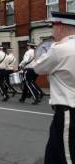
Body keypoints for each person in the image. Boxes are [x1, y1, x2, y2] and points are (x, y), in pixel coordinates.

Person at [34, 35, 75, 164]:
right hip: (66, 110)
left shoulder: (59, 49)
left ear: (60, 26)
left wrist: (52, 46)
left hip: (67, 110)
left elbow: (38, 67)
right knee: (53, 153)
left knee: (66, 156)